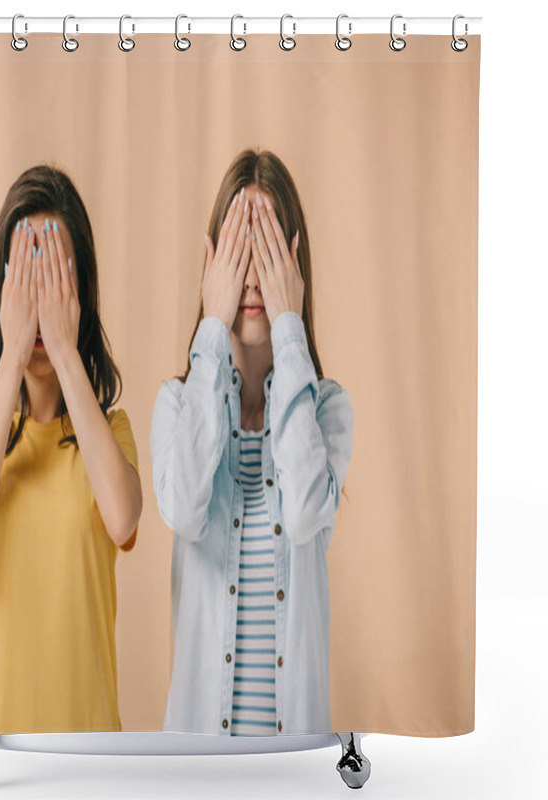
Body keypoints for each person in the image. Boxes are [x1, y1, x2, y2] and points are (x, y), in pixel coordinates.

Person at [150, 149, 354, 736]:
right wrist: (212, 328)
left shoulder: (329, 410)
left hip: (293, 766)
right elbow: (185, 508)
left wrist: (290, 330)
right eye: (239, 249)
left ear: (294, 265)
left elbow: (306, 510)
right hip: (198, 767)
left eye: (264, 250)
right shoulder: (176, 403)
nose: (251, 277)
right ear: (212, 265)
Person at [0, 165, 142, 733]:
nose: (38, 299)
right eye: (24, 277)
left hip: (88, 751)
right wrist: (12, 351)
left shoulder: (112, 434)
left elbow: (124, 517)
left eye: (53, 275)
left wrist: (61, 343)